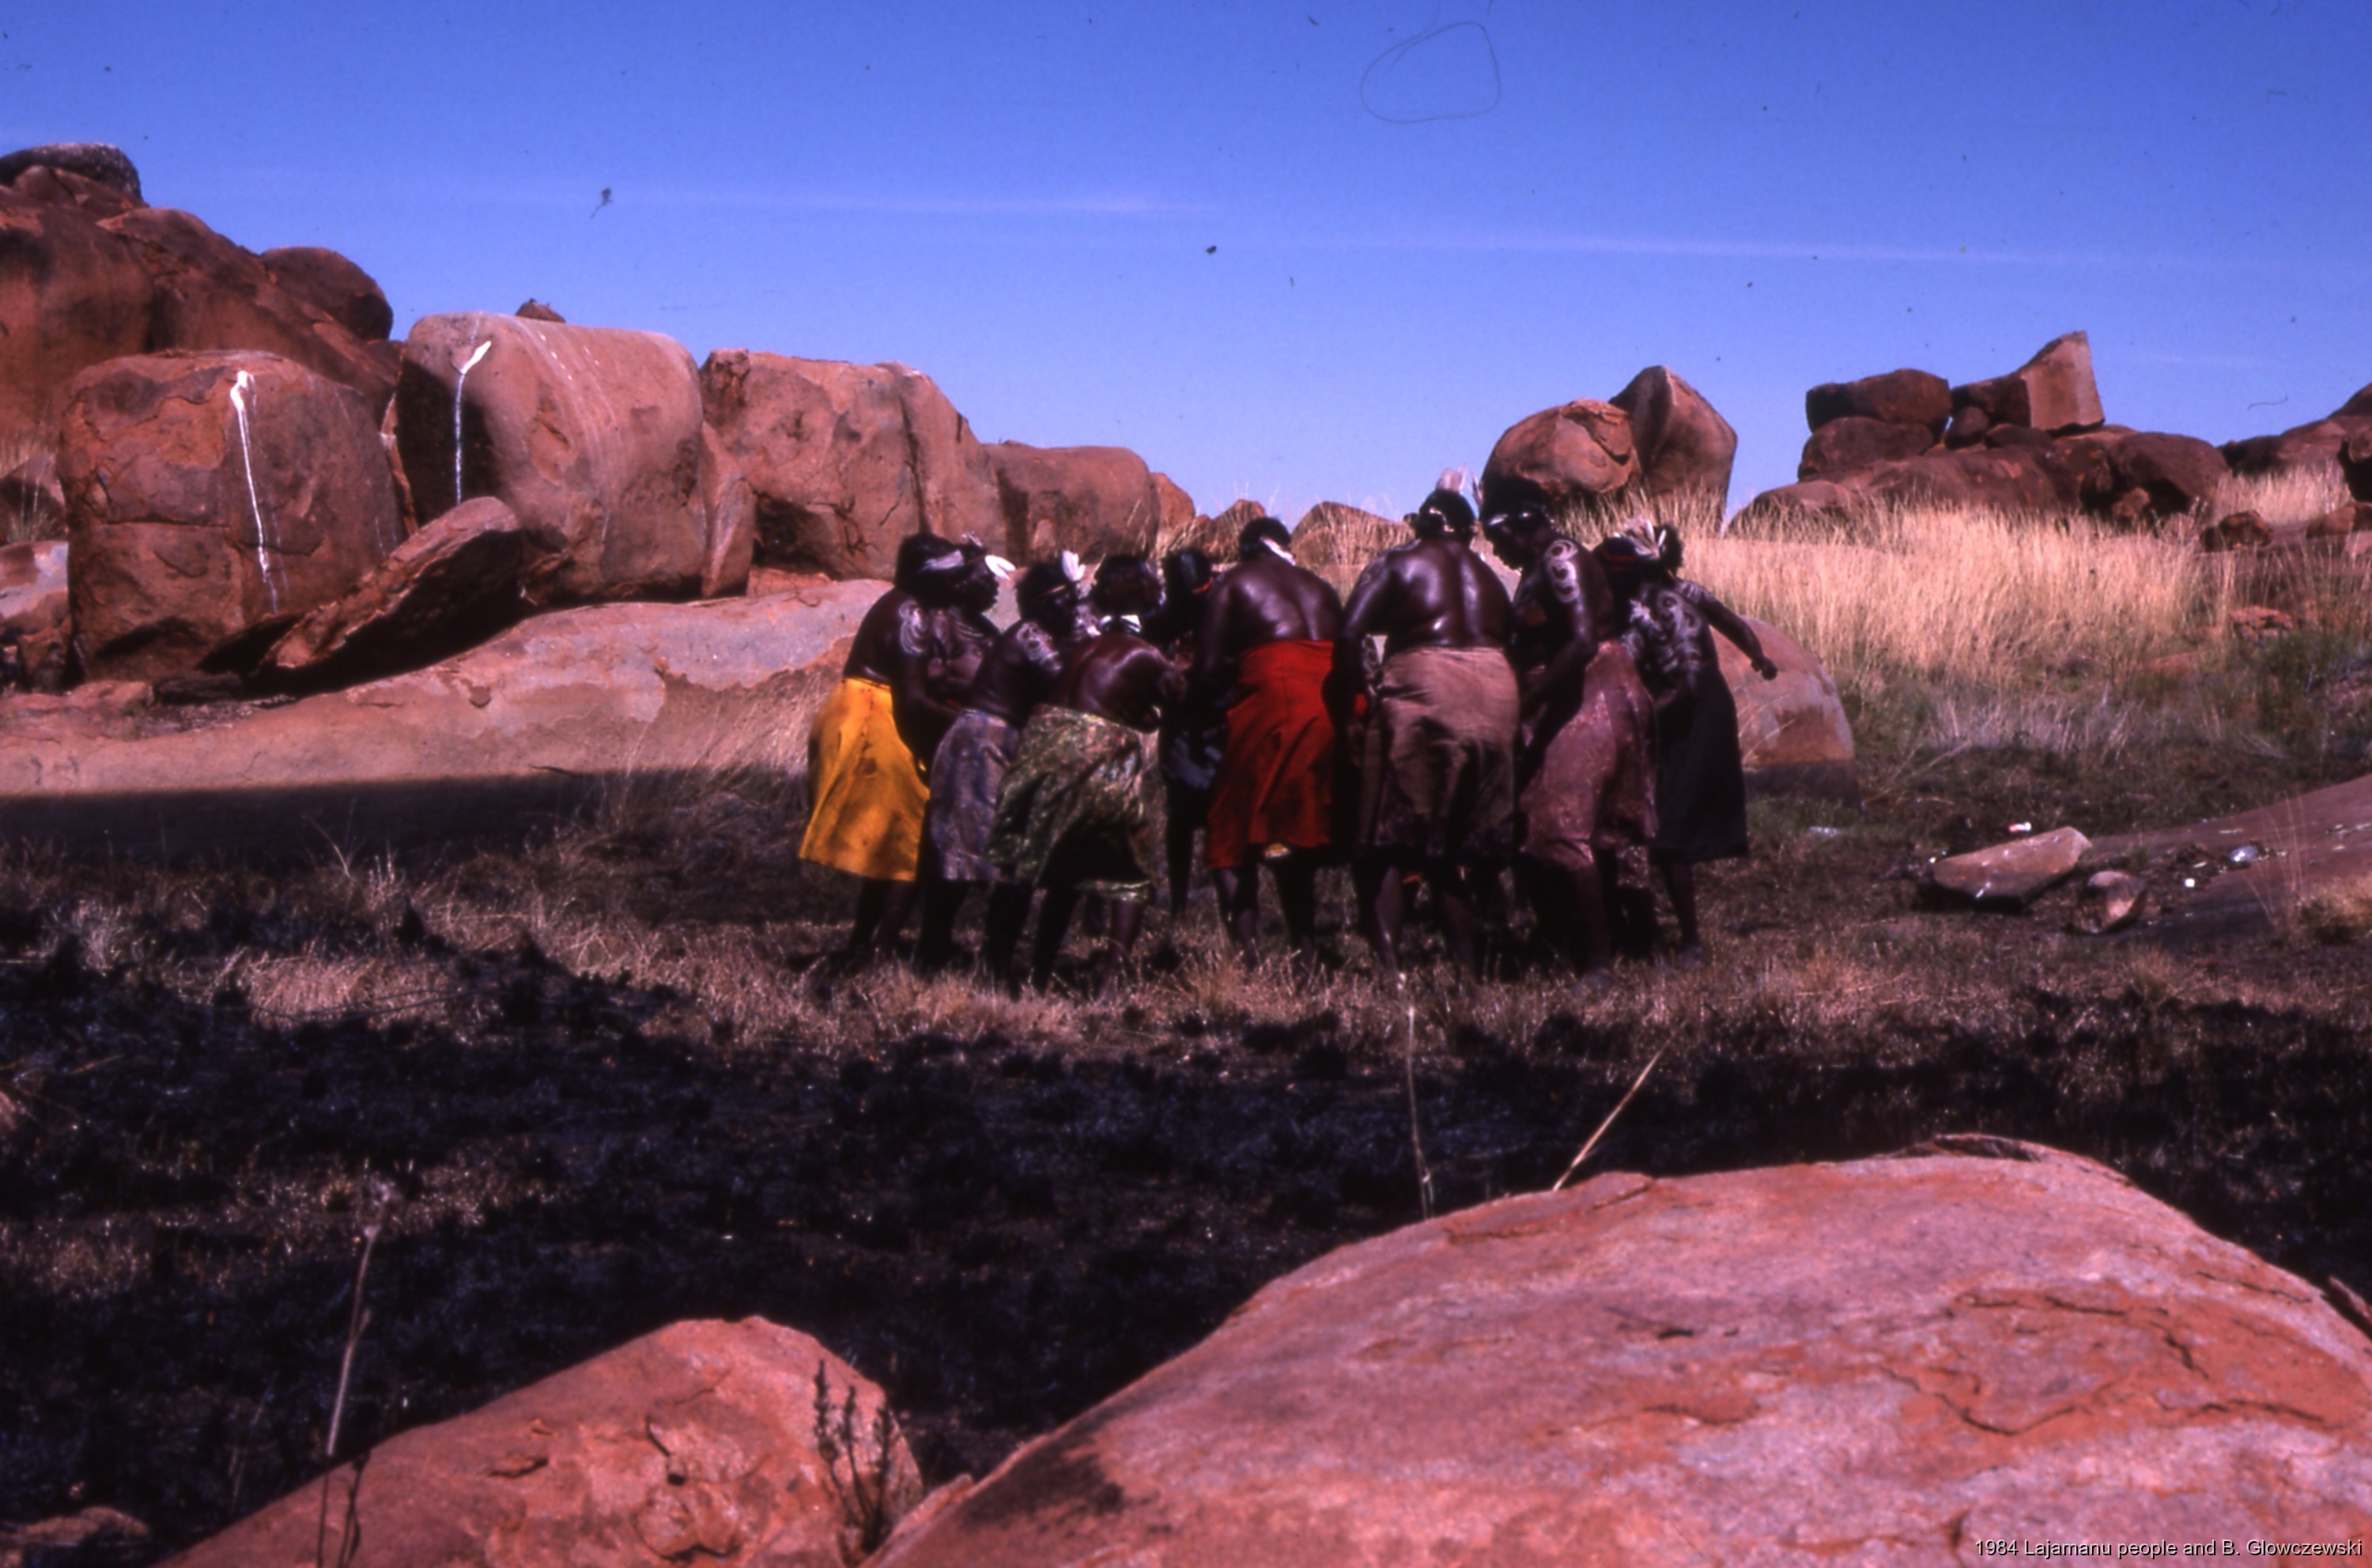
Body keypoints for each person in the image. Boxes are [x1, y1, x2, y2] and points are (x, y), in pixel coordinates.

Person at [1337, 484, 1519, 979]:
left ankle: (1390, 973)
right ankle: (1469, 972)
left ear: (1426, 522)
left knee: (1388, 840)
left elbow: (1350, 631)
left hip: (1427, 685)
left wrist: (1352, 703)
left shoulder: (1402, 562)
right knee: (1453, 846)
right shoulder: (1489, 577)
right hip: (1496, 692)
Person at [1484, 508, 1657, 987]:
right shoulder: (1543, 563)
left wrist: (1528, 705)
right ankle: (1575, 943)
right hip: (1575, 694)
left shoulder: (1560, 557)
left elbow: (1580, 642)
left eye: (1500, 538)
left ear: (1521, 527)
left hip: (1586, 693)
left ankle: (1599, 960)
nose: (1497, 550)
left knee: (1563, 825)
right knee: (1559, 825)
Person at [1595, 521, 1777, 966]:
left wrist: (1638, 721)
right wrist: (1757, 655)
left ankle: (1688, 940)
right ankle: (1647, 931)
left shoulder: (1651, 606)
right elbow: (1728, 623)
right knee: (1662, 816)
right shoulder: (1673, 597)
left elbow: (1686, 682)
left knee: (1670, 821)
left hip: (1690, 709)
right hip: (1685, 703)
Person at [799, 534, 979, 965]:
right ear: (928, 579)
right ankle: (878, 949)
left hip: (867, 710)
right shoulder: (911, 614)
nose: (959, 585)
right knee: (911, 842)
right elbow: (914, 700)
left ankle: (866, 944)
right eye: (953, 577)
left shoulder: (903, 605)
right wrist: (973, 728)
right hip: (874, 718)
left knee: (895, 840)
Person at [913, 557, 1097, 973]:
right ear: (1042, 604)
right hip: (982, 744)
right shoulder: (1032, 635)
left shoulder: (1037, 634)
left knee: (992, 860)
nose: (1072, 610)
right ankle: (947, 957)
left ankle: (981, 960)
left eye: (1074, 601)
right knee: (970, 861)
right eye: (1065, 602)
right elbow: (1064, 683)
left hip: (995, 743)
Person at [984, 618, 1184, 990]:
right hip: (1095, 744)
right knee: (1132, 873)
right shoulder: (1150, 656)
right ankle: (1111, 983)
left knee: (1034, 862)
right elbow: (1180, 698)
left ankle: (1012, 972)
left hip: (1041, 736)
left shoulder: (1083, 652)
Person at [1195, 516, 1347, 967]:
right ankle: (1306, 951)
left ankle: (1250, 960)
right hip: (1330, 709)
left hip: (1275, 702)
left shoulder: (1234, 583)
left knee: (1228, 830)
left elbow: (1207, 670)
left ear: (1249, 550)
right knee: (1293, 829)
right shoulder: (1321, 587)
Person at [1144, 548, 1227, 916]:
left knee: (1219, 811)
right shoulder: (1167, 617)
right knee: (1181, 813)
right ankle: (1179, 900)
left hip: (1220, 718)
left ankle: (1225, 895)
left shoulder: (1225, 603)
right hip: (1182, 722)